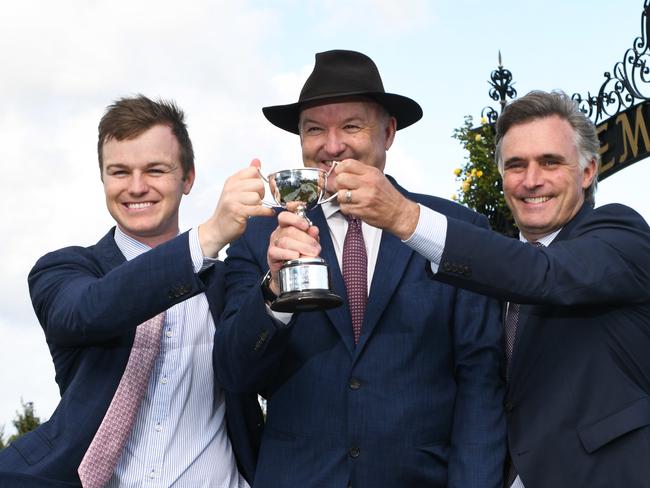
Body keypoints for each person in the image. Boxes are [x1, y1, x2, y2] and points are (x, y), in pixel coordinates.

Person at [214, 49, 506, 487]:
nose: (332, 145)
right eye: (315, 129)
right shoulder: (258, 237)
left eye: (351, 126)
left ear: (388, 132)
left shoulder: (456, 231)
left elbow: (481, 387)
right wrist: (273, 294)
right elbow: (234, 375)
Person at [0, 95, 274, 487]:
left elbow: (265, 366)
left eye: (156, 170)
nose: (137, 187)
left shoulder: (230, 281)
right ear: (102, 178)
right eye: (119, 172)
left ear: (188, 177)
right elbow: (88, 312)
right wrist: (209, 236)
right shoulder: (63, 270)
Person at [394, 90, 650, 487]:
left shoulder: (622, 235)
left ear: (587, 171)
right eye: (516, 165)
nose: (531, 181)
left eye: (550, 162)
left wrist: (404, 217)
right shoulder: (493, 273)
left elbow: (542, 274)